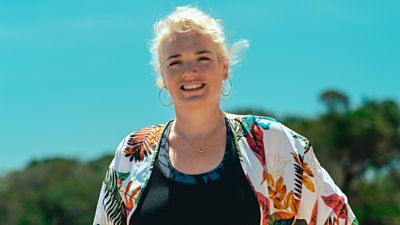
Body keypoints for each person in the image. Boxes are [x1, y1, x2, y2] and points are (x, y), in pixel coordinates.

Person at [93, 5, 357, 225]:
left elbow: (337, 215)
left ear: (224, 68)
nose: (190, 71)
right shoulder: (132, 152)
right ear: (163, 77)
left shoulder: (266, 141)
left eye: (203, 58)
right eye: (175, 61)